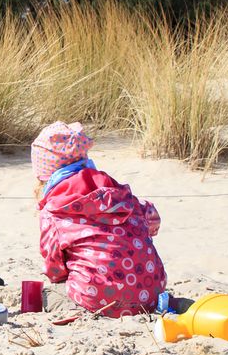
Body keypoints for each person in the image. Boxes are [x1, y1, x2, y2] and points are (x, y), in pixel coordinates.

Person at [32, 121, 166, 317]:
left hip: (98, 301)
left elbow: (55, 268)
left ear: (44, 178)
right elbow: (152, 219)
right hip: (152, 297)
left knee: (49, 293)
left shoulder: (54, 211)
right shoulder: (119, 196)